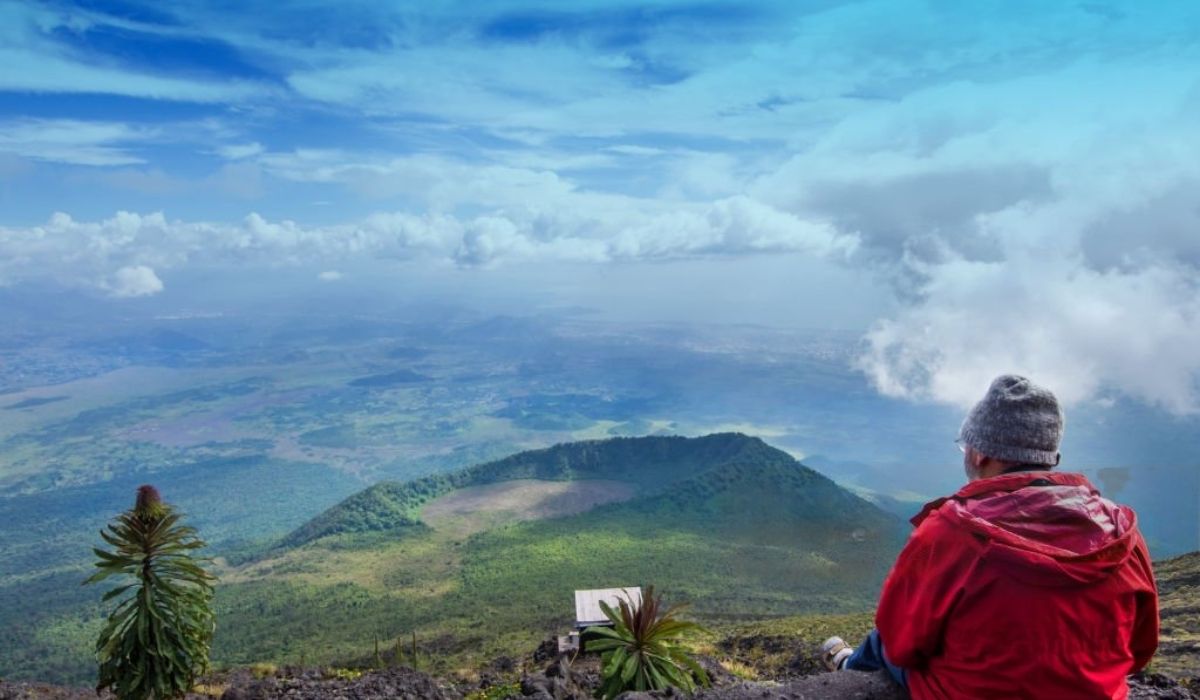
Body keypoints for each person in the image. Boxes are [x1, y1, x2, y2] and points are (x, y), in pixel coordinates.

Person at [821, 374, 1159, 699]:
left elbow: (902, 641)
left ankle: (850, 668)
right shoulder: (1121, 532)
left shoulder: (952, 533)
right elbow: (1141, 648)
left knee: (883, 640)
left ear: (980, 453)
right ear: (1051, 457)